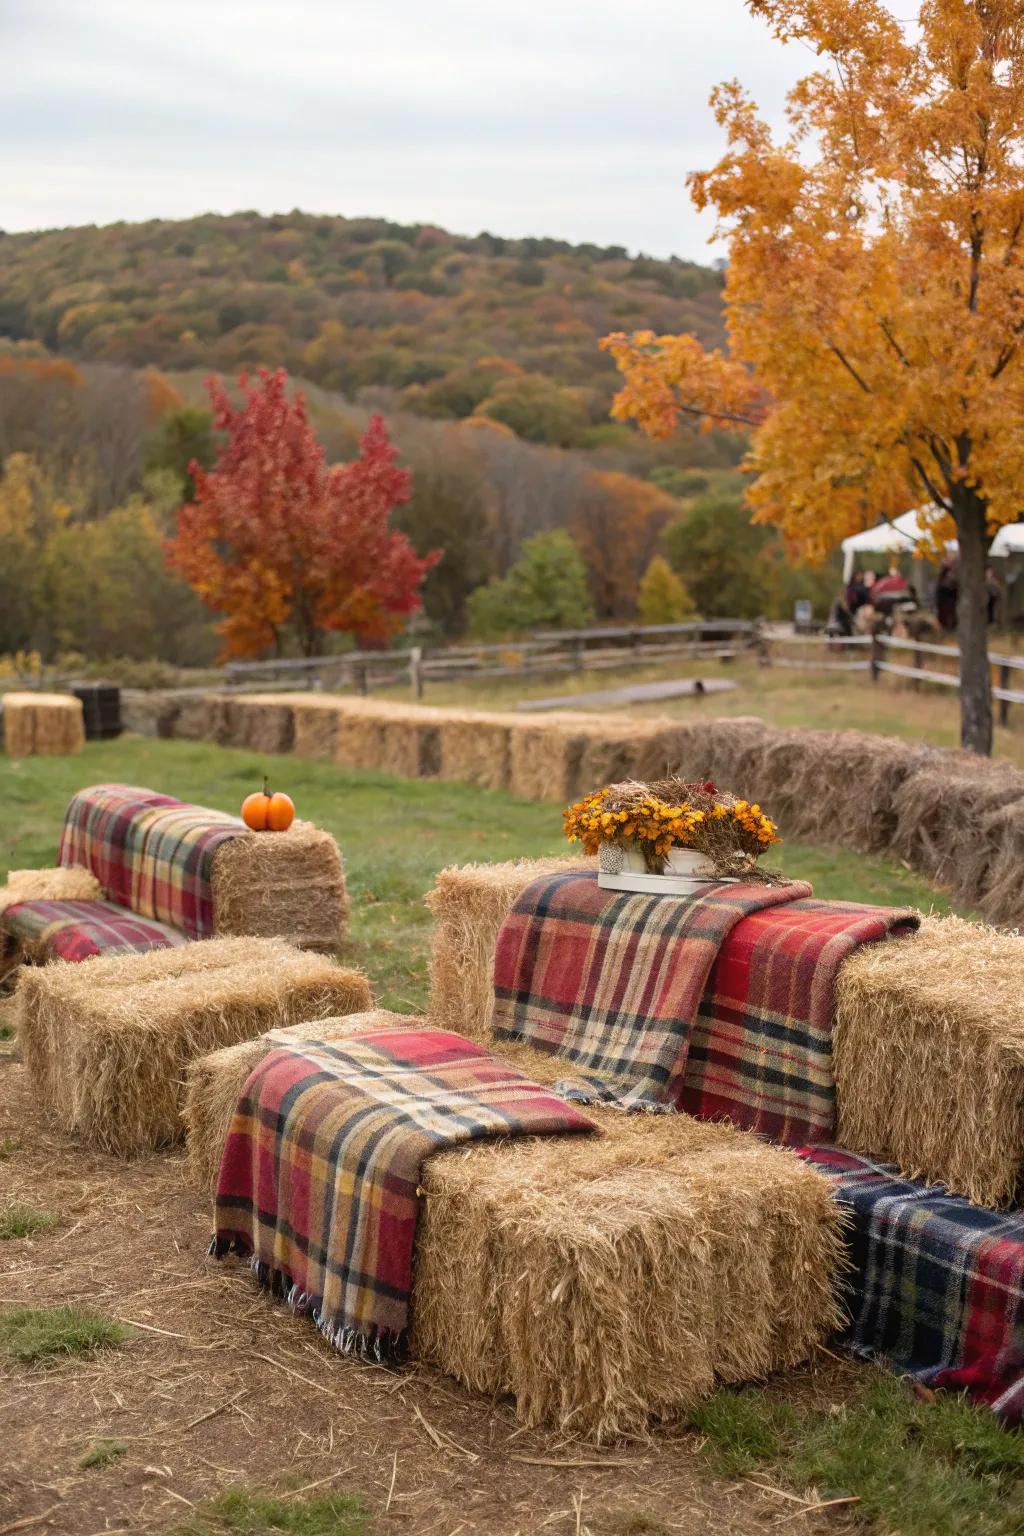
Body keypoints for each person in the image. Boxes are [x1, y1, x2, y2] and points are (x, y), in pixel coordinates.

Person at [935, 556, 958, 631]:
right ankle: (946, 627)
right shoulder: (943, 578)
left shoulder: (952, 576)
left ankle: (950, 627)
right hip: (944, 600)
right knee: (945, 615)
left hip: (950, 600)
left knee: (950, 614)